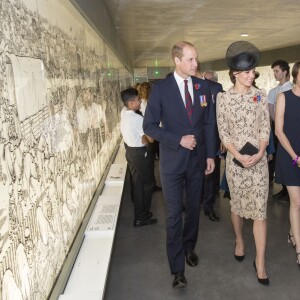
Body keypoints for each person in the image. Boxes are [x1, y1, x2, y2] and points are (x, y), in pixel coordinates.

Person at [143, 41, 216, 288]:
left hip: (197, 162)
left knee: (193, 210)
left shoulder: (202, 86)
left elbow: (208, 124)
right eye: (190, 60)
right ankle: (177, 270)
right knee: (174, 215)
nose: (196, 64)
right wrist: (178, 139)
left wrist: (210, 155)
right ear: (176, 60)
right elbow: (149, 126)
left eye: (196, 59)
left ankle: (189, 248)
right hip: (172, 163)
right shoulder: (161, 89)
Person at [216, 41, 270, 285]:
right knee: (237, 206)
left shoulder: (260, 95)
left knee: (260, 212)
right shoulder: (223, 99)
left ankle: (260, 262)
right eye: (247, 72)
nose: (251, 76)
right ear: (236, 74)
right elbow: (223, 133)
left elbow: (265, 129)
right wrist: (238, 156)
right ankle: (239, 239)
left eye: (253, 72)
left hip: (258, 164)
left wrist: (259, 154)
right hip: (236, 163)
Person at [275, 61, 300, 265]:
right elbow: (278, 131)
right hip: (290, 156)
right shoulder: (284, 97)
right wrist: (295, 156)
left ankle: (293, 233)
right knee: (296, 202)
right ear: (295, 75)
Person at [120, 87, 157, 227]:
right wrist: (146, 138)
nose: (140, 100)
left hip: (130, 151)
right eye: (137, 99)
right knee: (147, 185)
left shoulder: (123, 112)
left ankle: (140, 213)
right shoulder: (137, 118)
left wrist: (144, 137)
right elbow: (151, 139)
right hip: (140, 154)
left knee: (138, 184)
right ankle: (142, 216)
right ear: (130, 103)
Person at [196, 63, 223, 221]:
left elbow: (219, 116)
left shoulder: (215, 87)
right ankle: (191, 204)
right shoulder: (185, 87)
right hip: (190, 139)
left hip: (211, 138)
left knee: (210, 176)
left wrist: (222, 138)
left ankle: (209, 207)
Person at [268, 60, 293, 200]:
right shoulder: (273, 91)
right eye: (274, 71)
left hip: (289, 128)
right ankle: (284, 188)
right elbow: (270, 109)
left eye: (277, 71)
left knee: (290, 157)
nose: (275, 74)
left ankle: (290, 189)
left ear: (285, 72)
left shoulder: (291, 89)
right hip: (277, 128)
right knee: (280, 158)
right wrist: (277, 122)